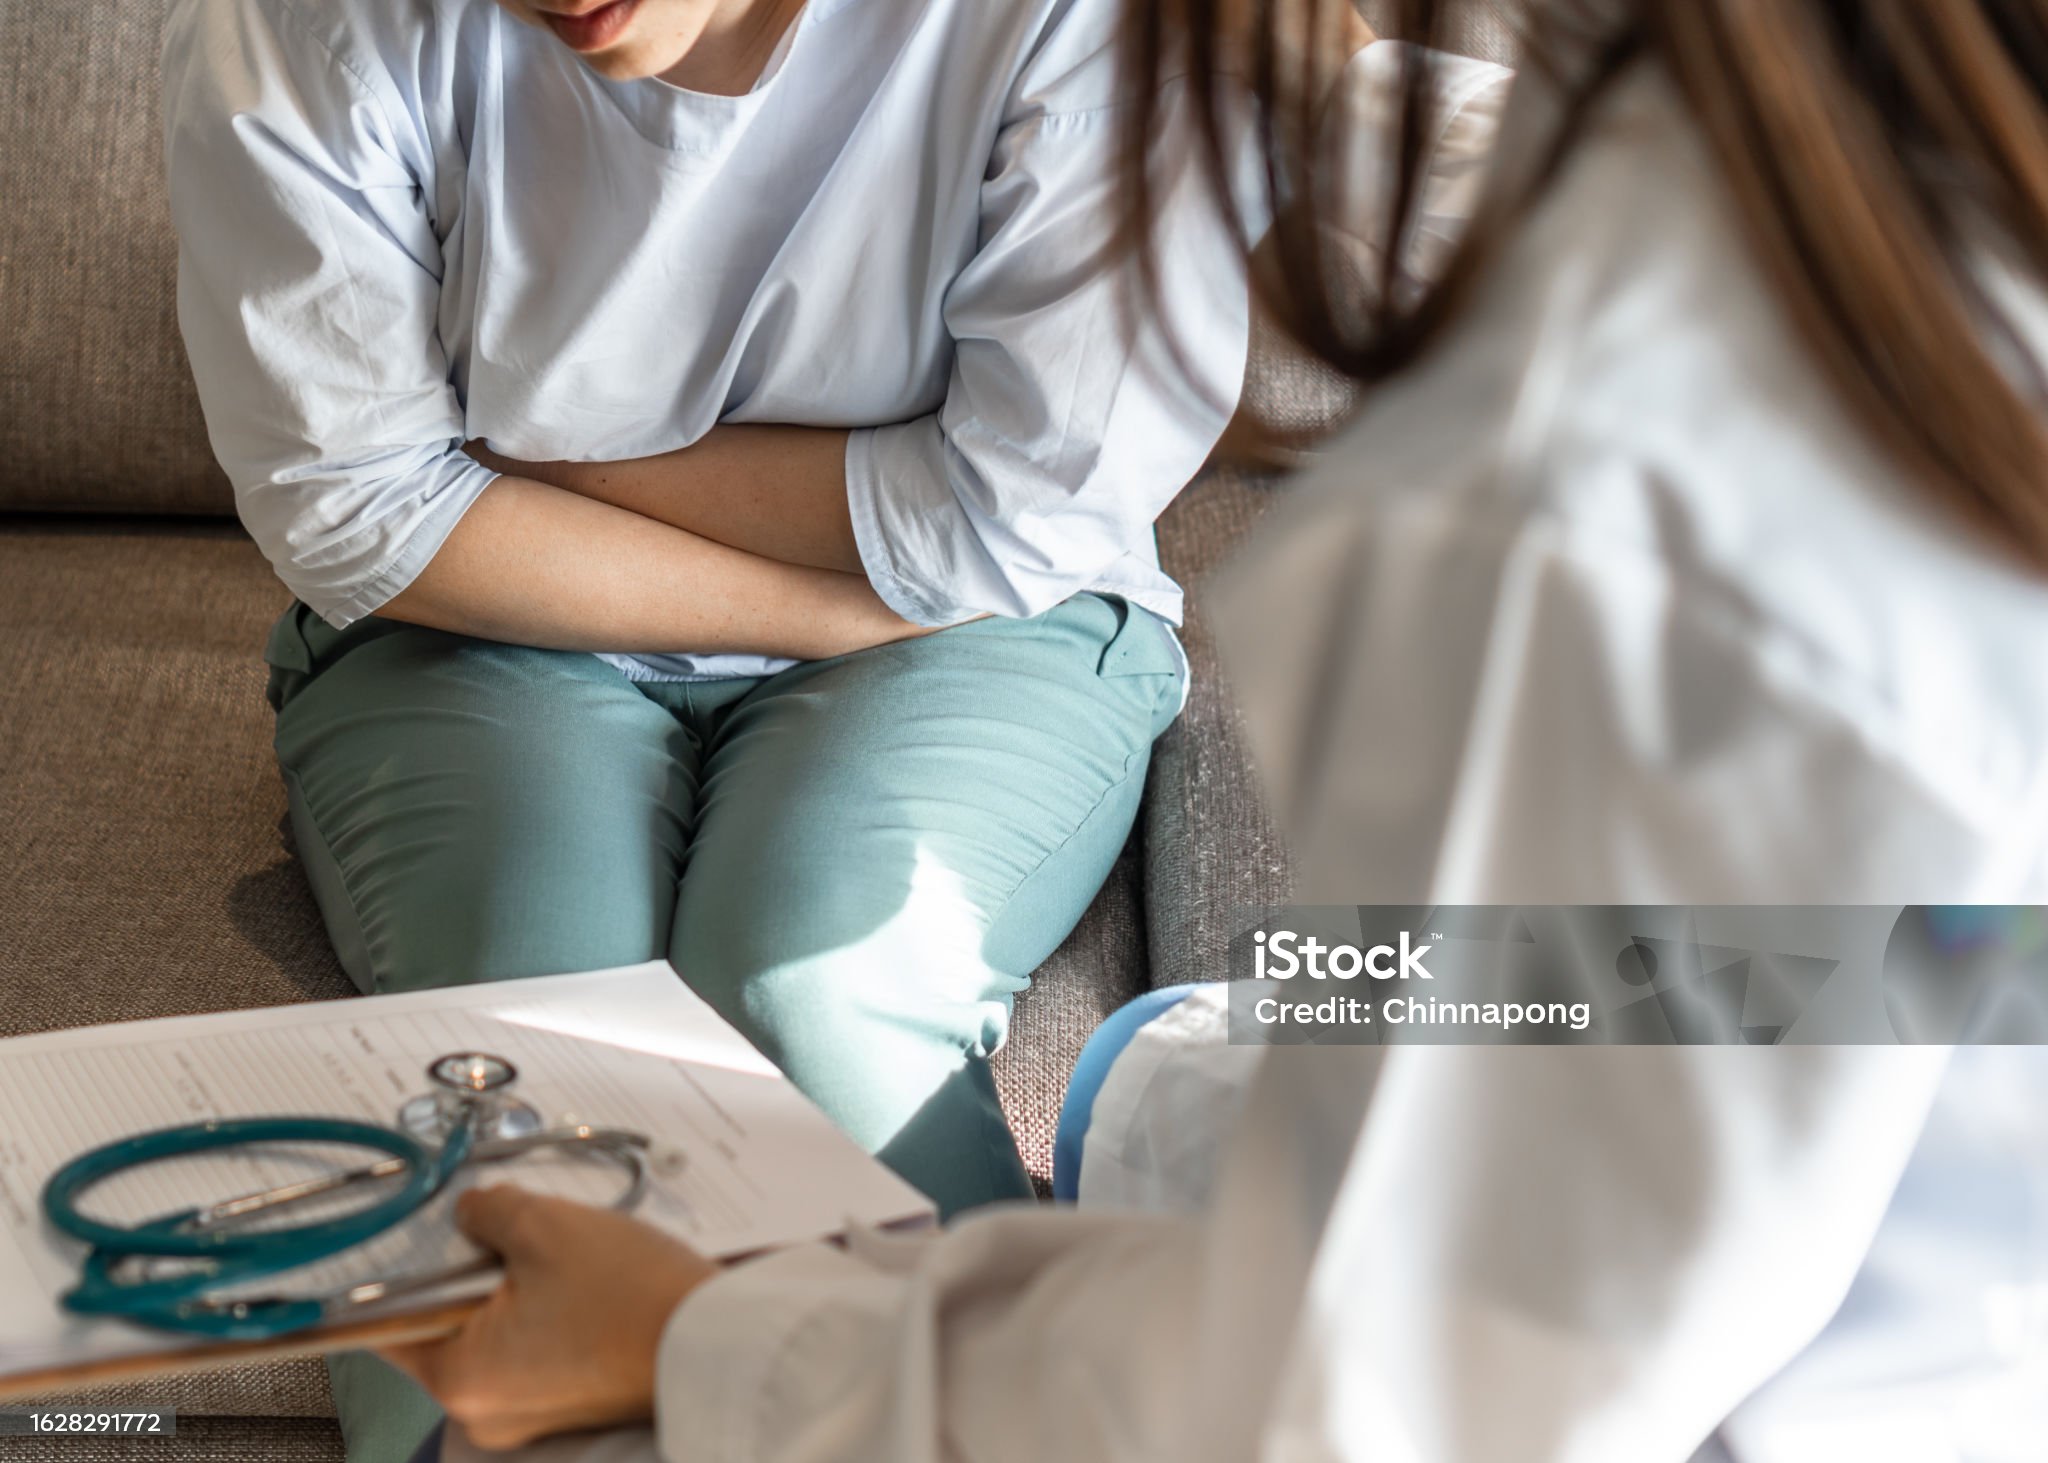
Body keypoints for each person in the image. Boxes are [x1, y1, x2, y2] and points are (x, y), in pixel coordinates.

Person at [387, 0, 2048, 1458]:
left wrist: (693, 1346)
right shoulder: (1915, 232)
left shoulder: (1613, 481)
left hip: (1749, 1337)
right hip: (1896, 1129)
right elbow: (1896, 967)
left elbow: (1354, 1407)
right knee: (1240, 1032)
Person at [160, 0, 1249, 1455]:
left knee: (822, 980)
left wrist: (522, 451)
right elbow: (356, 505)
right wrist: (837, 608)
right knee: (530, 1009)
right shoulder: (291, 26)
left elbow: (1017, 515)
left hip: (983, 634)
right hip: (488, 618)